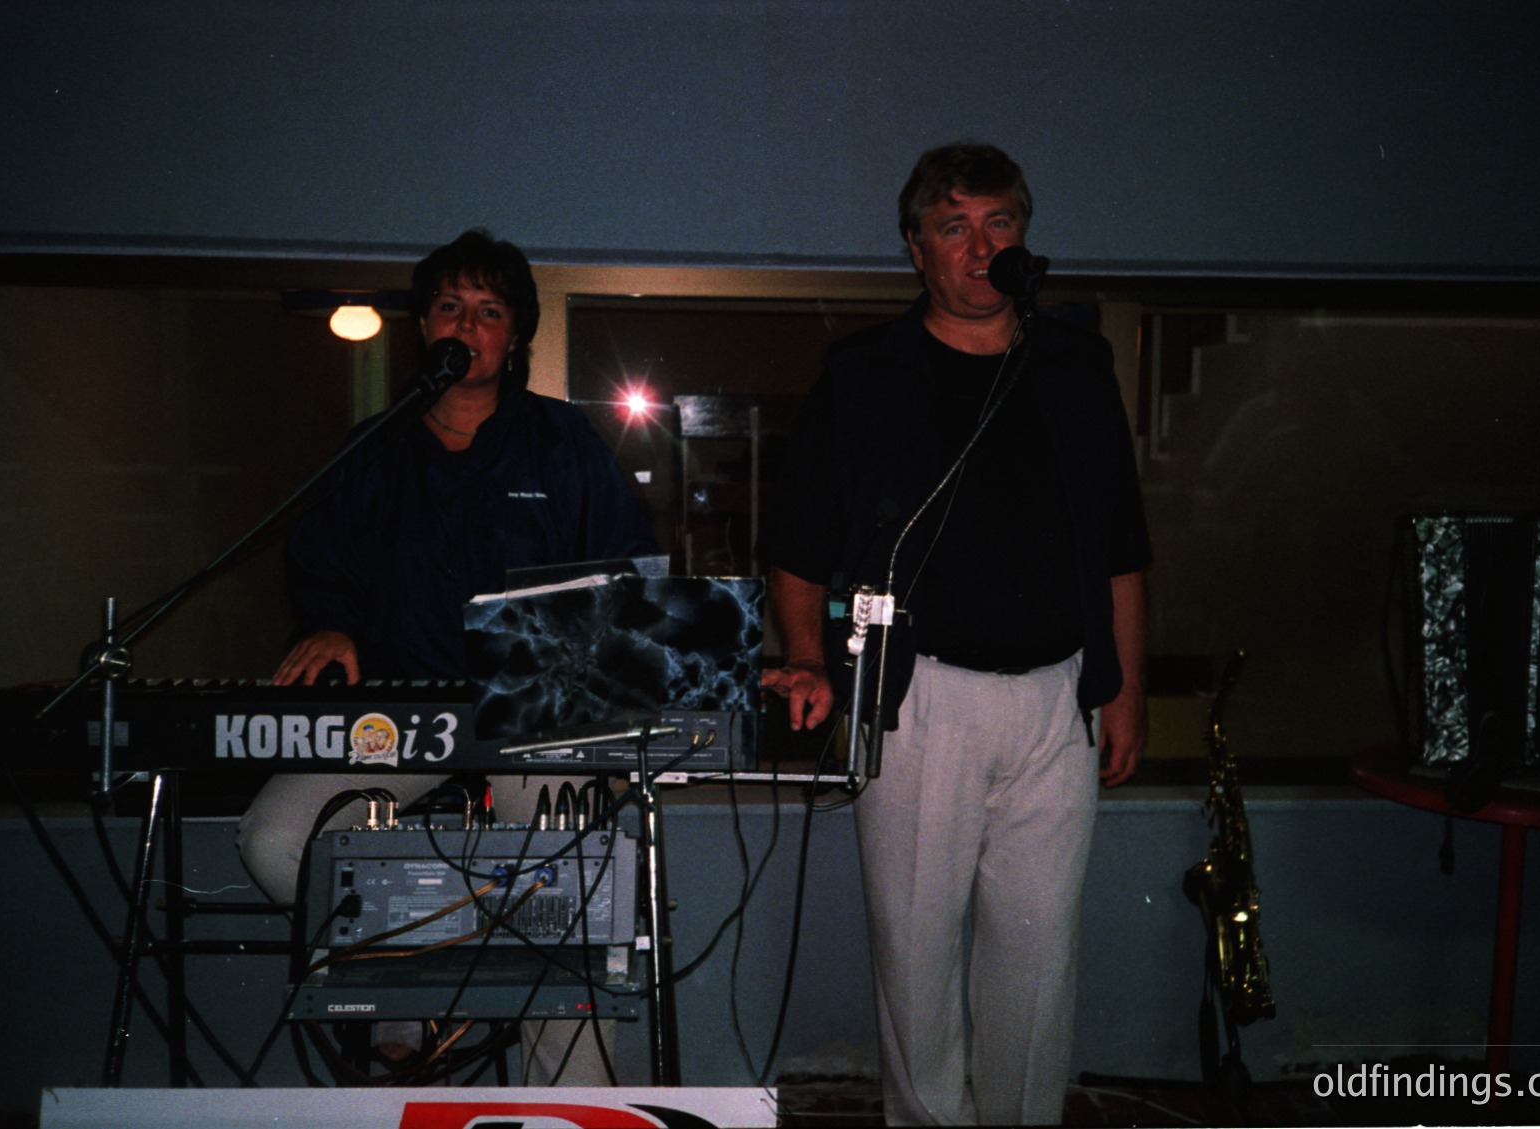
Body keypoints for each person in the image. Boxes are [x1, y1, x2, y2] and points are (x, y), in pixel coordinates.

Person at [757, 143, 1151, 1126]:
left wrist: (1124, 690)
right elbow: (800, 545)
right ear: (915, 248)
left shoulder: (1075, 362)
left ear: (1022, 236)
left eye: (998, 225)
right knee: (919, 952)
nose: (979, 250)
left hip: (1056, 694)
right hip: (918, 699)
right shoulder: (863, 375)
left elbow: (1120, 544)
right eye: (952, 228)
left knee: (1035, 950)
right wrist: (806, 657)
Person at [237, 229, 657, 1083]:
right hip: (400, 715)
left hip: (540, 718)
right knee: (278, 840)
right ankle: (429, 993)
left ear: (514, 338)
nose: (467, 324)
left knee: (565, 863)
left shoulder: (563, 442)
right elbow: (323, 569)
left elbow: (629, 577)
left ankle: (568, 1101)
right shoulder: (372, 447)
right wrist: (330, 622)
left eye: (489, 311)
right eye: (449, 307)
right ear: (424, 324)